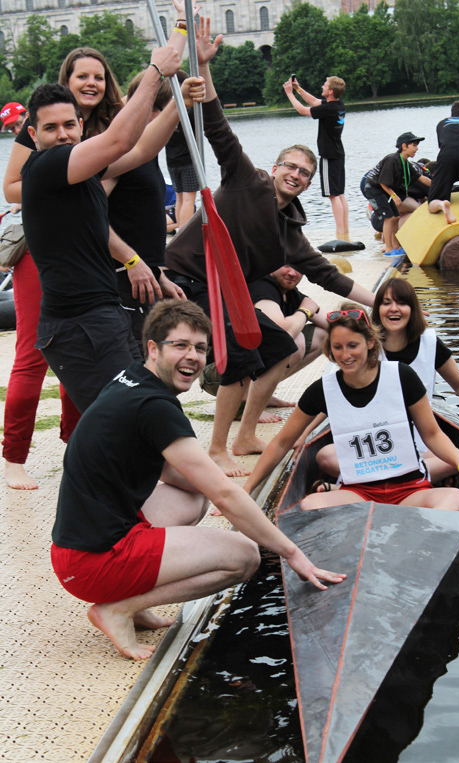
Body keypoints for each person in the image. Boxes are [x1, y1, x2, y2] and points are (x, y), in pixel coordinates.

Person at [50, 299, 346, 661]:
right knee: (244, 556)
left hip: (77, 549)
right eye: (181, 345)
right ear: (153, 348)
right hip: (93, 564)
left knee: (193, 496)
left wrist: (227, 493)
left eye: (201, 348)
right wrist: (292, 552)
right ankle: (118, 608)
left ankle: (135, 603)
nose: (192, 356)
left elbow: (184, 476)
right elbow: (223, 494)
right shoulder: (155, 407)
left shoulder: (130, 379)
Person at [166, 20, 375, 477]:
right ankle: (220, 447)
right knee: (243, 354)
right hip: (186, 277)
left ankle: (243, 435)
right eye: (291, 166)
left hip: (222, 290)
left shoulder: (291, 232)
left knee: (276, 345)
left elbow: (328, 276)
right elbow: (218, 127)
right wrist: (202, 65)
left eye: (304, 171)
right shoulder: (248, 179)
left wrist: (381, 303)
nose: (297, 174)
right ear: (276, 167)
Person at [19, 38, 195, 413]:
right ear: (33, 136)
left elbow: (140, 149)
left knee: (136, 411)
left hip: (102, 312)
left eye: (70, 125)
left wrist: (181, 100)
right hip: (77, 323)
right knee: (132, 414)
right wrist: (155, 72)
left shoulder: (79, 170)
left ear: (81, 126)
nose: (63, 134)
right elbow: (119, 140)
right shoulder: (46, 167)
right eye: (51, 128)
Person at [243, 304, 459, 512]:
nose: (345, 355)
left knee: (455, 499)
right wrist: (246, 491)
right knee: (310, 505)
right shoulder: (322, 389)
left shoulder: (403, 376)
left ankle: (399, 524)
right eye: (337, 347)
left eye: (352, 345)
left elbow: (432, 434)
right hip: (359, 494)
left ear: (370, 343)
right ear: (329, 350)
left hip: (409, 490)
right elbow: (280, 443)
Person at [372, 277, 459, 481]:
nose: (393, 309)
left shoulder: (428, 342)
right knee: (325, 458)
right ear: (377, 309)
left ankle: (397, 477)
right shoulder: (367, 344)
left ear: (413, 309)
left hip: (422, 434)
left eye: (401, 303)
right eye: (386, 303)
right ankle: (412, 476)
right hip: (378, 436)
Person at [104, 71, 187, 352]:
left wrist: (158, 274)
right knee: (138, 367)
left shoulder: (146, 151)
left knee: (153, 366)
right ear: (151, 109)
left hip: (144, 276)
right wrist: (131, 263)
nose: (174, 124)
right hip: (123, 279)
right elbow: (87, 215)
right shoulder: (120, 153)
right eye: (171, 113)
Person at [200, 265, 328, 425]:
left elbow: (331, 323)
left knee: (324, 335)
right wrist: (304, 312)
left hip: (242, 366)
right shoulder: (261, 288)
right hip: (219, 373)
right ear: (272, 263)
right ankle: (246, 403)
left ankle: (261, 394)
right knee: (294, 342)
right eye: (286, 265)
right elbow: (284, 333)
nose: (292, 273)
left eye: (298, 268)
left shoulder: (289, 292)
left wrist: (359, 325)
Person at [283, 75, 348, 240]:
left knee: (333, 195)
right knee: (339, 194)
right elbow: (313, 101)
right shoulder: (337, 105)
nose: (322, 86)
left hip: (329, 155)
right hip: (338, 153)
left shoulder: (328, 109)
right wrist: (298, 89)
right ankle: (345, 231)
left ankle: (340, 233)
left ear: (331, 91)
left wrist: (289, 93)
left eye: (325, 85)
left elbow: (303, 110)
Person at [361, 132, 431, 256]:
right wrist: (394, 196)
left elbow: (421, 179)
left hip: (384, 190)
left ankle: (396, 246)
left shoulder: (406, 163)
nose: (417, 148)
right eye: (414, 145)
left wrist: (438, 185)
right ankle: (388, 248)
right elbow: (383, 183)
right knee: (389, 217)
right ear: (404, 146)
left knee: (396, 217)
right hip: (373, 188)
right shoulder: (392, 159)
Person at [165, 69, 200, 230]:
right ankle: (184, 233)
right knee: (188, 199)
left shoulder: (167, 110)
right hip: (188, 158)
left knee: (179, 198)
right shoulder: (191, 109)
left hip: (171, 160)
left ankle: (180, 232)